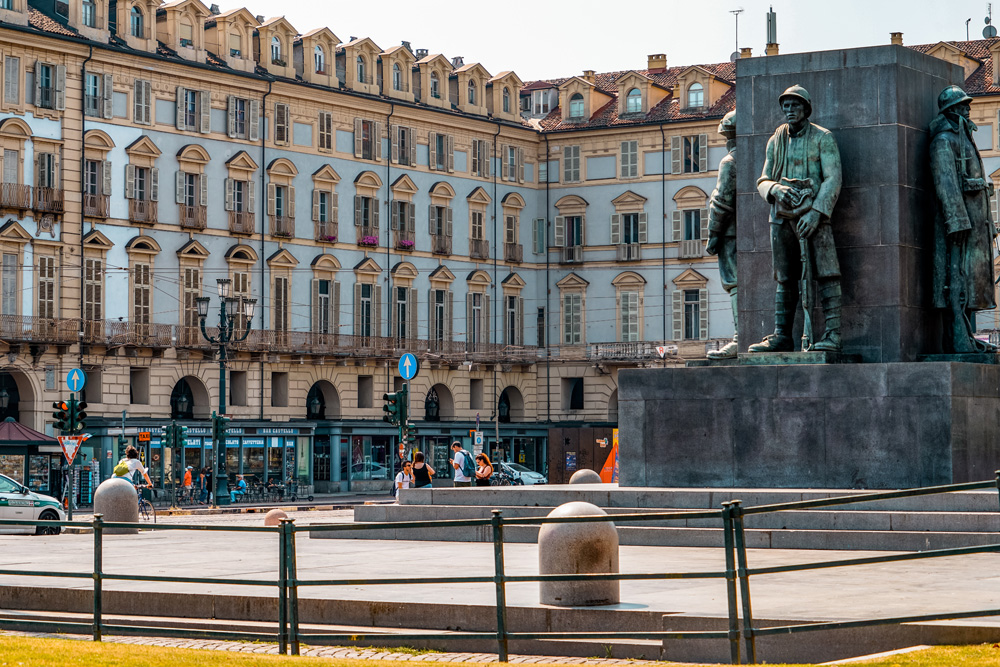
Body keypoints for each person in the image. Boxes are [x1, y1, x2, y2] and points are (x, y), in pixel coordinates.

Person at [749, 85, 844, 353]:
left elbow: (833, 178)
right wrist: (775, 188)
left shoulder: (823, 138)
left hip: (814, 216)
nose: (789, 110)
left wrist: (816, 212)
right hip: (780, 216)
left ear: (806, 108)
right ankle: (782, 335)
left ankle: (833, 334)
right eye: (786, 106)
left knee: (827, 273)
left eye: (794, 105)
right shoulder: (775, 141)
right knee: (785, 276)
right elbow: (763, 180)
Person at [930, 85, 998, 353]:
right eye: (963, 107)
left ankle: (966, 337)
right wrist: (956, 221)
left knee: (969, 284)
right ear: (951, 112)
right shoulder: (944, 141)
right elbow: (945, 182)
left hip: (975, 223)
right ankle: (958, 338)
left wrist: (990, 224)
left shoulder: (964, 139)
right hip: (960, 226)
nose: (968, 110)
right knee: (956, 284)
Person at [706, 110, 738, 360]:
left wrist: (713, 234)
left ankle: (741, 337)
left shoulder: (730, 161)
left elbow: (721, 201)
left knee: (734, 282)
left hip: (730, 233)